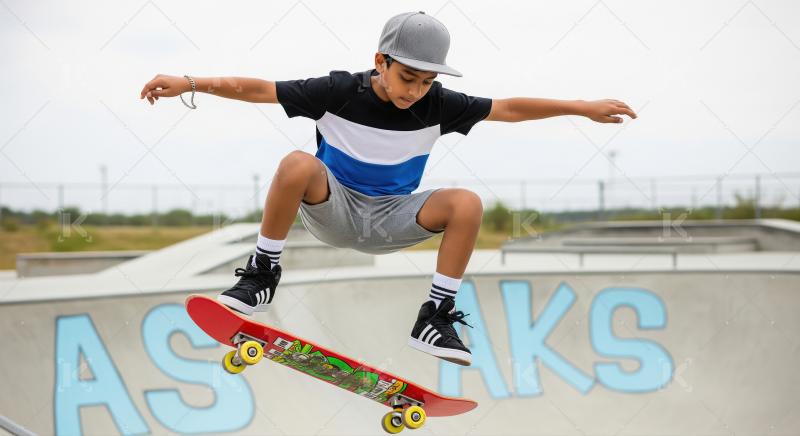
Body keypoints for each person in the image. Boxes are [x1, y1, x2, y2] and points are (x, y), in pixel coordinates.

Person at [139, 11, 637, 366]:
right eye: (407, 78)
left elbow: (508, 108)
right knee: (296, 163)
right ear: (380, 60)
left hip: (395, 217)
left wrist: (580, 107)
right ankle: (263, 274)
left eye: (425, 82)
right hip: (334, 209)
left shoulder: (440, 104)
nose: (414, 91)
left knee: (466, 202)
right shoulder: (336, 91)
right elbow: (259, 89)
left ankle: (435, 315)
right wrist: (191, 81)